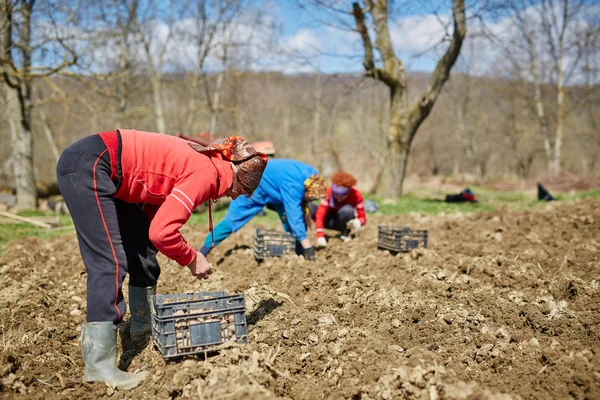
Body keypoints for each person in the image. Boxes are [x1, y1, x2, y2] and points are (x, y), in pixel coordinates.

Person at [56, 131, 267, 390]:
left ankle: (142, 328)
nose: (235, 197)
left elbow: (154, 211)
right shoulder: (206, 173)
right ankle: (99, 366)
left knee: (142, 246)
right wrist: (192, 258)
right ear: (234, 175)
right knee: (108, 261)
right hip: (92, 162)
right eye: (241, 190)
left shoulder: (207, 165)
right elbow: (163, 233)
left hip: (109, 168)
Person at [199, 159, 326, 260]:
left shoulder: (312, 177)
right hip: (255, 187)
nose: (310, 201)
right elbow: (295, 214)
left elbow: (298, 209)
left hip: (276, 191)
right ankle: (204, 250)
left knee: (288, 222)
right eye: (310, 198)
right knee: (232, 221)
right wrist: (308, 245)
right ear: (306, 190)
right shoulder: (294, 186)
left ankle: (299, 253)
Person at [311, 172, 367, 246]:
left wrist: (359, 222)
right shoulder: (328, 192)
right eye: (336, 196)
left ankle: (345, 232)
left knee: (348, 210)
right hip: (328, 220)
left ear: (348, 192)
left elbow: (362, 217)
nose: (339, 199)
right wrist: (320, 234)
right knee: (310, 207)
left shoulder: (356, 195)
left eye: (342, 196)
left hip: (342, 221)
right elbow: (320, 214)